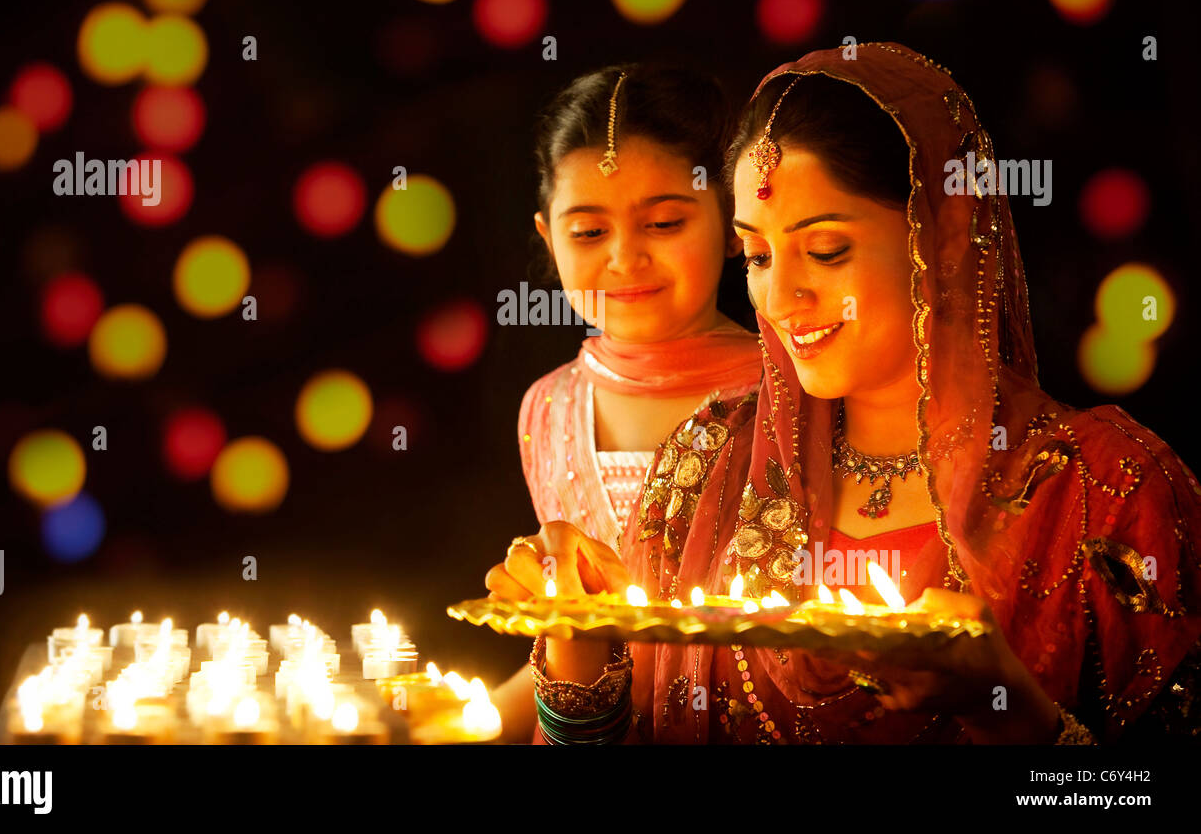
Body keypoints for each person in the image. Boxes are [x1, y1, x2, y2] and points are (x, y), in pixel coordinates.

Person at [487, 42, 1201, 744]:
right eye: (759, 256)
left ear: (944, 233)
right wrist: (576, 651)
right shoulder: (703, 470)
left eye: (826, 251)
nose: (781, 297)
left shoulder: (1107, 491)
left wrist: (1005, 706)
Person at [487, 63, 764, 741]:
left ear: (733, 223)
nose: (624, 258)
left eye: (664, 222)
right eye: (587, 233)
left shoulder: (791, 392)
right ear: (548, 240)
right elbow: (581, 643)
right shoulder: (548, 410)